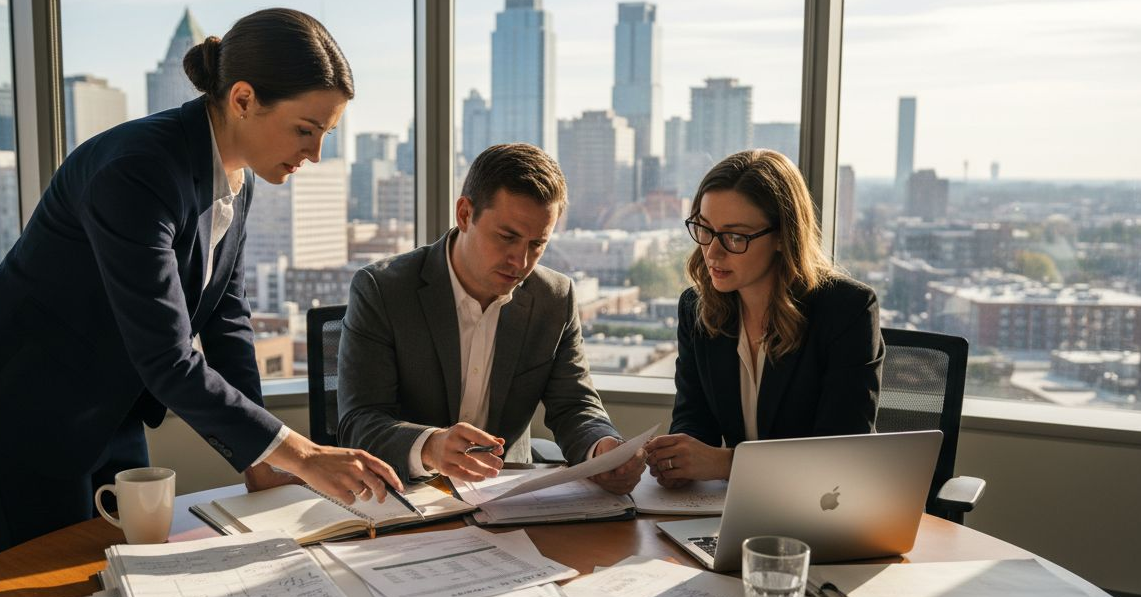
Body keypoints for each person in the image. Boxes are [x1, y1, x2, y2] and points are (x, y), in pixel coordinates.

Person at [0, 8, 400, 552]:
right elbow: (168, 355)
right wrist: (300, 453)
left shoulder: (236, 180)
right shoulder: (137, 169)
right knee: (54, 593)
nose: (316, 154)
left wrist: (259, 459)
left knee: (133, 566)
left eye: (326, 134)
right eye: (305, 129)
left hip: (110, 405)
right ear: (243, 99)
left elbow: (227, 318)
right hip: (24, 406)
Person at [336, 143, 645, 493]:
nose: (521, 261)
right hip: (407, 497)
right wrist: (430, 446)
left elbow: (574, 405)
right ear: (465, 214)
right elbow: (358, 422)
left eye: (536, 244)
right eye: (507, 237)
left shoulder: (553, 298)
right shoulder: (383, 290)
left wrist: (601, 448)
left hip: (506, 496)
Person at [642, 149, 883, 485]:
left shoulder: (846, 311)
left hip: (816, 513)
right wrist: (677, 459)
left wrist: (727, 464)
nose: (712, 251)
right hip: (729, 510)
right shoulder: (696, 308)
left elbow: (839, 455)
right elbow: (694, 419)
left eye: (735, 236)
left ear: (784, 237)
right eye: (705, 229)